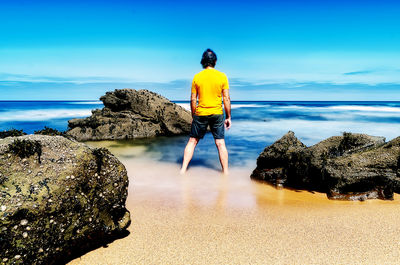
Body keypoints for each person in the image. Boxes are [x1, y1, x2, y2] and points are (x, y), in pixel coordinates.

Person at [180, 48, 231, 175]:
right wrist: (228, 116)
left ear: (203, 61)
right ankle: (225, 173)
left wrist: (193, 115)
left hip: (201, 113)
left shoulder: (197, 77)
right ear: (215, 61)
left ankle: (183, 170)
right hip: (217, 113)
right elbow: (226, 98)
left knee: (192, 141)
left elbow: (193, 99)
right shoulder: (222, 76)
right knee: (220, 143)